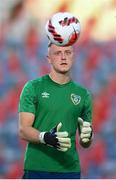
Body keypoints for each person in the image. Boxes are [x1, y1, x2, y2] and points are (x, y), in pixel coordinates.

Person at [18, 42, 93, 179]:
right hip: (37, 168)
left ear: (73, 56)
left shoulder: (83, 94)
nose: (63, 57)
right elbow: (24, 130)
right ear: (49, 58)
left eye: (67, 53)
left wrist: (88, 136)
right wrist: (46, 138)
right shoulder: (33, 87)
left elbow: (85, 143)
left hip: (70, 170)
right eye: (58, 53)